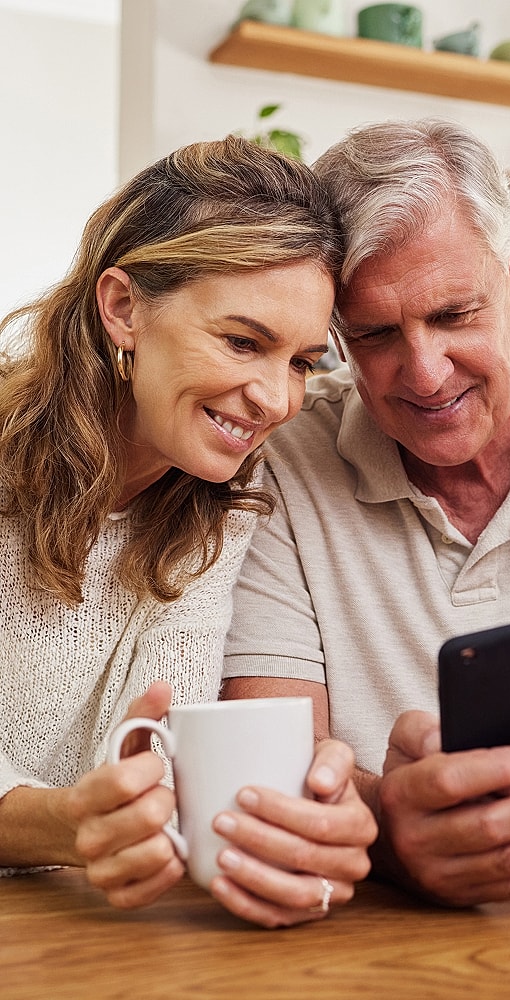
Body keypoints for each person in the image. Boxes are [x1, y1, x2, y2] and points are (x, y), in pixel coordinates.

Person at [222, 118, 510, 907]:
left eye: (453, 315)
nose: (424, 373)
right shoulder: (278, 459)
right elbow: (277, 763)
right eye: (375, 333)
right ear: (335, 331)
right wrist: (388, 829)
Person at [0, 135, 377, 928]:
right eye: (243, 342)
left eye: (304, 361)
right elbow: (85, 813)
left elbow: (160, 744)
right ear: (123, 307)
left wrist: (307, 815)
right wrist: (58, 819)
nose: (275, 398)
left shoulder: (218, 501)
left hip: (71, 933)